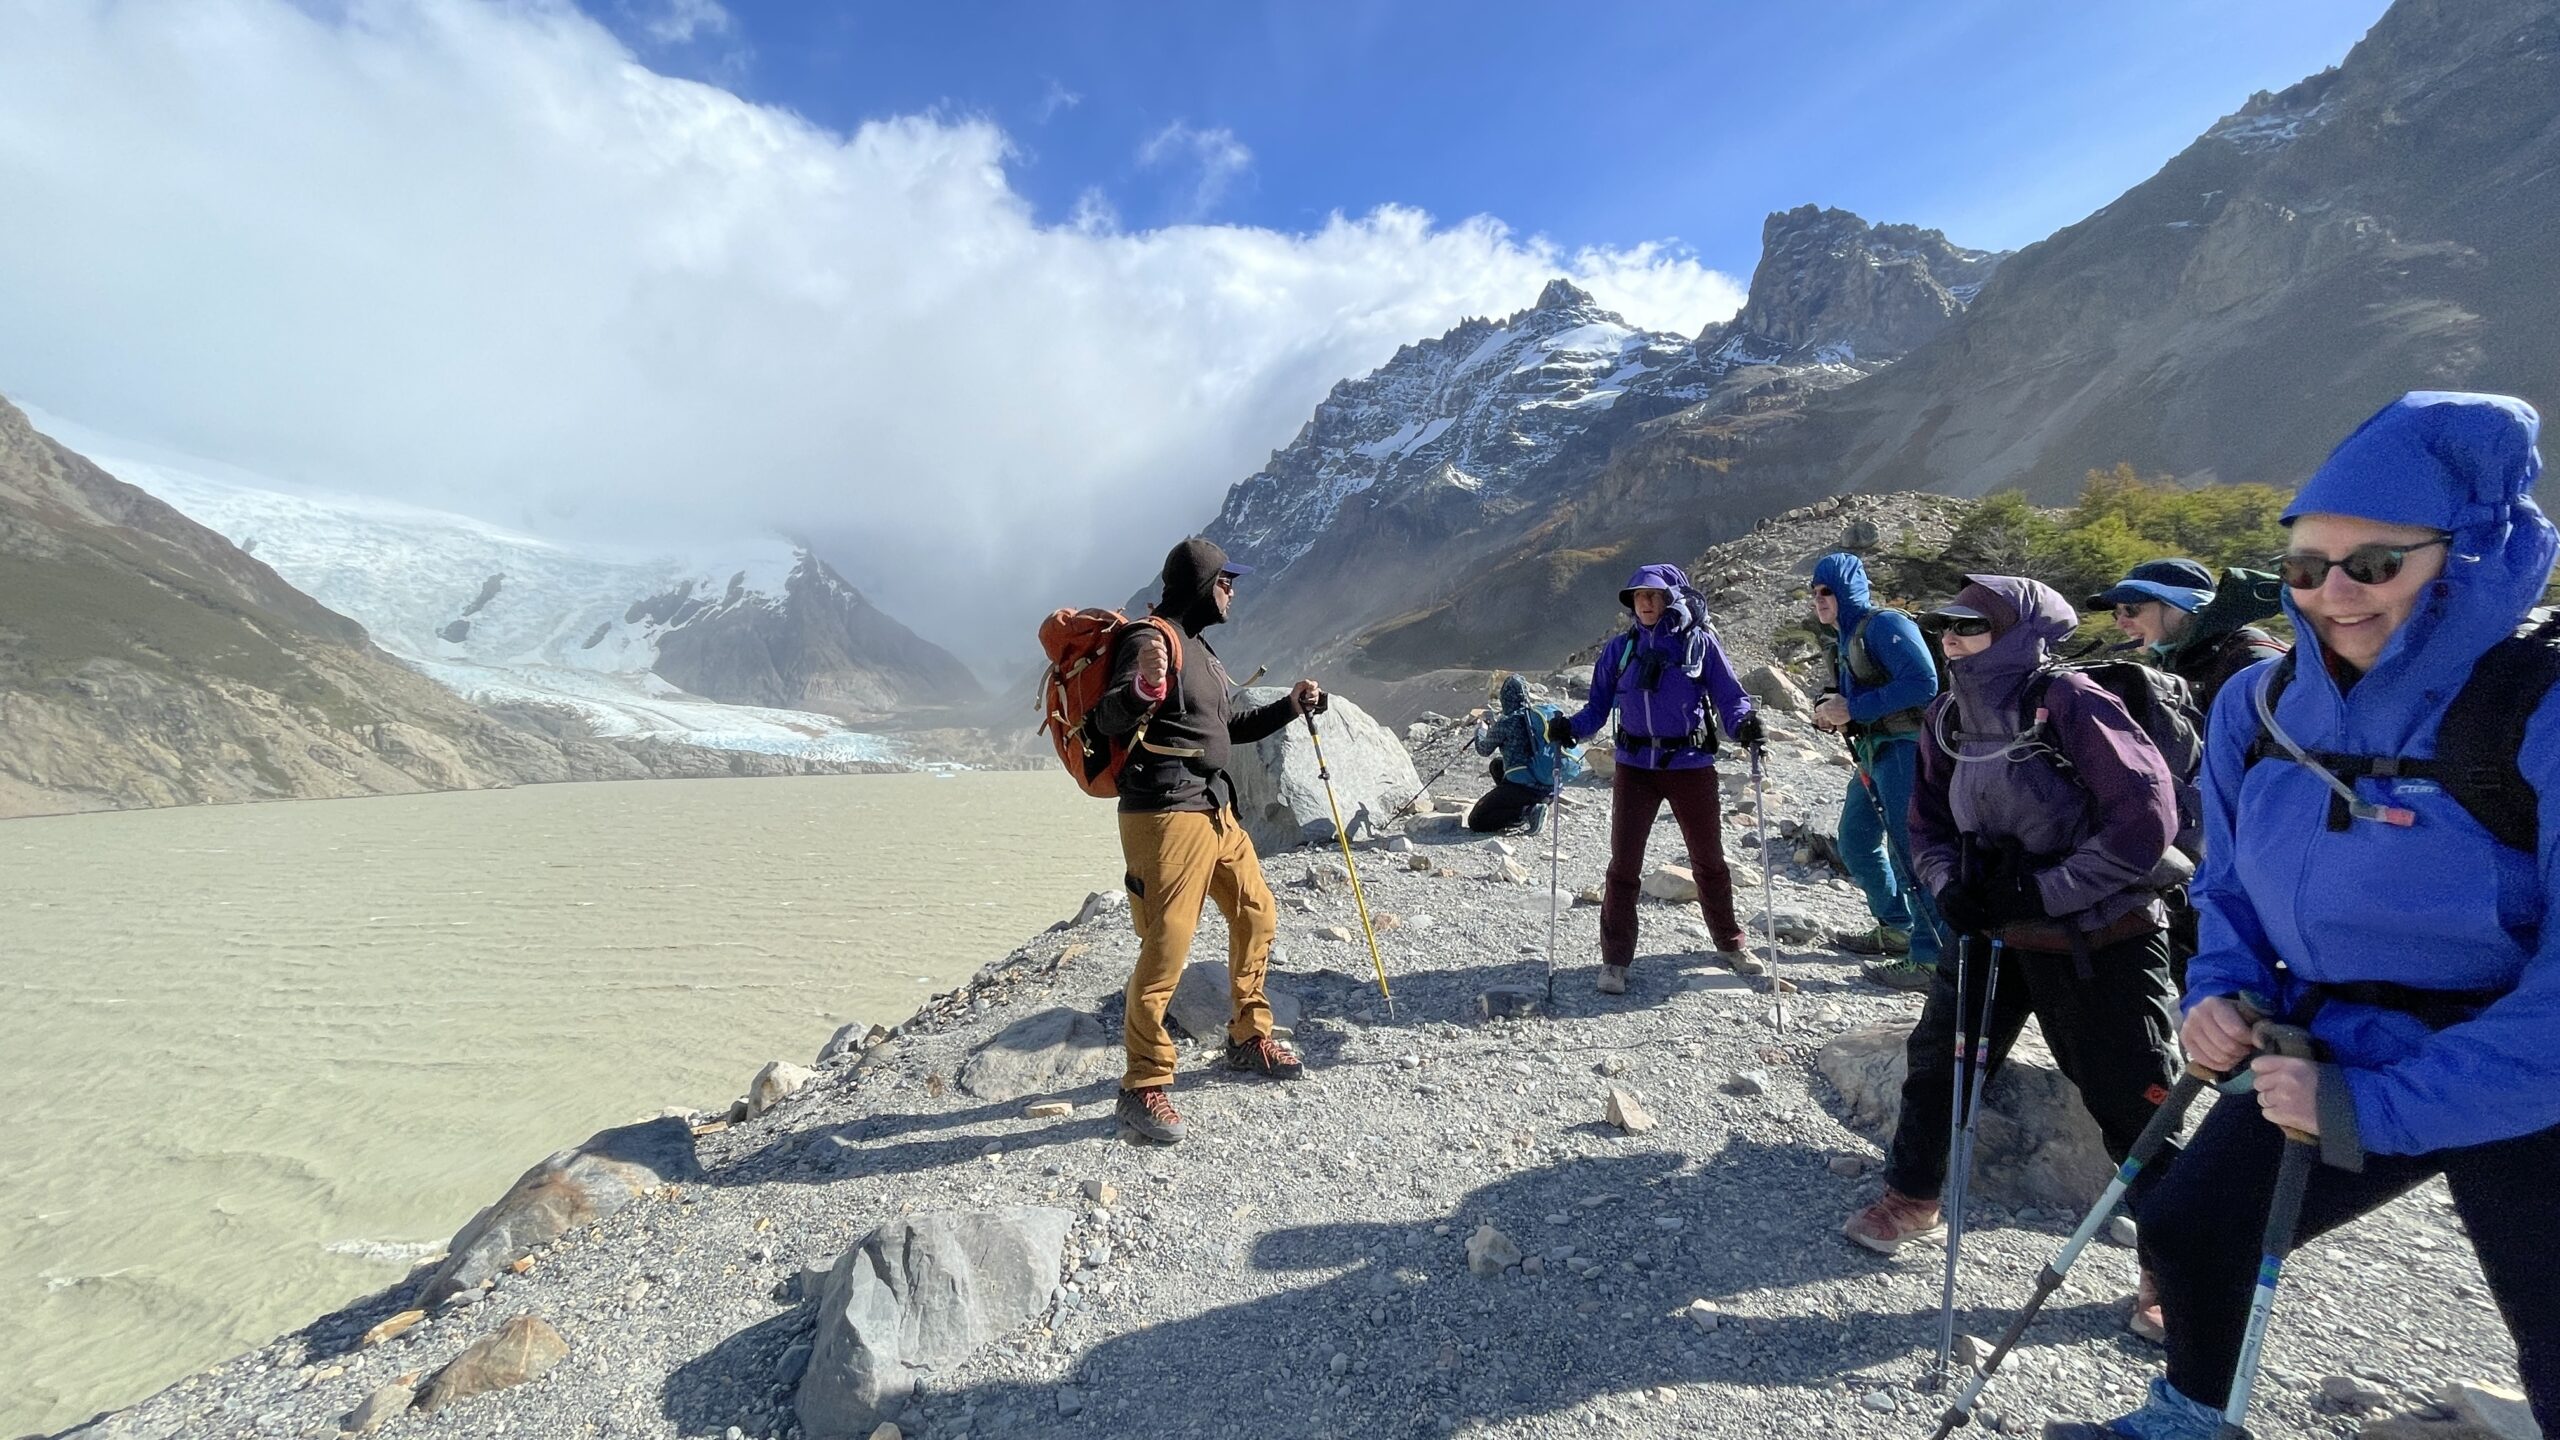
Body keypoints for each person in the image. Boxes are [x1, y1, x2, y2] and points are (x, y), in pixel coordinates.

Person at [2050, 393, 2560, 1440]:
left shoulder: (2538, 703)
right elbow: (2228, 888)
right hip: (2331, 1039)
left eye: (2371, 563)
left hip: (2521, 1067)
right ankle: (2190, 1418)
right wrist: (2217, 991)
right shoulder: (2259, 704)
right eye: (2304, 566)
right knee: (2191, 1227)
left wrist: (2380, 1109)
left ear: (2463, 555)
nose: (2332, 593)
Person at [1842, 574, 2188, 1346]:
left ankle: (2175, 1265)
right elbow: (1926, 822)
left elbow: (2147, 821)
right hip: (1995, 928)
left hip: (2099, 935)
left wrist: (2046, 890)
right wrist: (1947, 888)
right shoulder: (1950, 714)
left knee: (2133, 1095)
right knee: (1939, 1064)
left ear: (2018, 628)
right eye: (1944, 621)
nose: (1951, 635)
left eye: (1970, 623)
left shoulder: (2068, 701)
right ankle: (1912, 1197)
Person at [1090, 537, 1325, 1144]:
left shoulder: (1201, 650)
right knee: (1167, 947)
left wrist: (1289, 708)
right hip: (1166, 816)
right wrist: (1142, 688)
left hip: (1215, 812)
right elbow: (1108, 717)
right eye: (1226, 580)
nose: (1233, 590)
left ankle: (1248, 1036)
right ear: (1201, 584)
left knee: (1256, 913)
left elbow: (1227, 728)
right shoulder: (1151, 640)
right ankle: (1143, 1084)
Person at [1550, 564, 1763, 993]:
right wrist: (1570, 728)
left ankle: (1729, 941)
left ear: (1671, 598)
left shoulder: (1699, 644)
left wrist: (1743, 726)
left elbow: (1730, 697)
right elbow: (1596, 708)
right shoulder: (1619, 650)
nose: (1644, 603)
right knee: (1623, 866)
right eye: (1637, 596)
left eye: (1653, 595)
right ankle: (1615, 960)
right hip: (1634, 767)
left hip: (1690, 765)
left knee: (1709, 861)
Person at [1808, 552, 1948, 989]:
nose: (1819, 599)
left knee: (1910, 851)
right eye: (1814, 592)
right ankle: (1895, 927)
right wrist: (1836, 712)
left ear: (1848, 590)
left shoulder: (1885, 625)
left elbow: (1924, 682)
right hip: (1874, 750)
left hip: (1906, 750)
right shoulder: (1848, 637)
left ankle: (1932, 958)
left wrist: (1853, 707)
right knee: (1856, 839)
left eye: (1828, 590)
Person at [2088, 558, 2287, 714]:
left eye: (2131, 609)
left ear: (2182, 607)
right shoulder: (2179, 661)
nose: (2120, 623)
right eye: (2117, 613)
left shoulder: (2251, 660)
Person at [1465, 673, 1551, 834]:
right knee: (1497, 764)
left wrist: (1481, 730)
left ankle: (1528, 811)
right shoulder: (1536, 716)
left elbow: (1484, 749)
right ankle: (1530, 803)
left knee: (1477, 821)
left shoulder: (1507, 722)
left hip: (1524, 787)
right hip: (1547, 786)